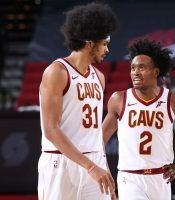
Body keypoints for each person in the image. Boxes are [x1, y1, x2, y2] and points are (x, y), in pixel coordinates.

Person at [102, 39, 175, 200]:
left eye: (142, 67)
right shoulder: (119, 99)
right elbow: (99, 140)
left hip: (161, 178)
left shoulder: (174, 101)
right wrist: (103, 172)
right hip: (130, 178)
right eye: (132, 68)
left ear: (155, 72)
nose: (135, 72)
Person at [38, 2, 118, 200]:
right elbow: (50, 129)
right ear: (90, 42)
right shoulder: (57, 72)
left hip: (94, 160)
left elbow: (95, 134)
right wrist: (90, 166)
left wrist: (103, 171)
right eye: (105, 43)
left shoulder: (98, 77)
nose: (107, 49)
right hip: (62, 161)